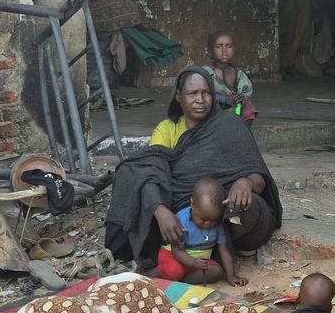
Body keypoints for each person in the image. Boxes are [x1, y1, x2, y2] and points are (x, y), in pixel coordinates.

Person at [105, 66, 282, 273]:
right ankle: (192, 254)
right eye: (192, 93)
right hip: (180, 216)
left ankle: (213, 249)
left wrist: (246, 182)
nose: (200, 100)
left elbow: (259, 177)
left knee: (249, 207)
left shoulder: (230, 125)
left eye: (206, 93)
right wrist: (160, 211)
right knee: (130, 173)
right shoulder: (167, 129)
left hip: (220, 213)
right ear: (179, 97)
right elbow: (149, 169)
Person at [157, 178, 248, 286]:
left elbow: (224, 251)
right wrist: (193, 263)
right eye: (202, 219)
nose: (208, 223)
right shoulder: (182, 220)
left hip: (198, 263)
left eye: (213, 220)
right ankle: (152, 273)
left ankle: (181, 279)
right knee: (174, 270)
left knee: (217, 272)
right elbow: (177, 251)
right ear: (192, 204)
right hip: (174, 257)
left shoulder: (218, 225)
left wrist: (231, 276)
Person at [202, 30, 258, 126]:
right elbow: (202, 94)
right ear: (210, 51)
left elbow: (247, 91)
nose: (224, 50)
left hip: (235, 109)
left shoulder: (239, 74)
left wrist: (242, 98)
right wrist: (224, 99)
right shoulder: (206, 72)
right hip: (215, 109)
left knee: (249, 108)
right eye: (219, 46)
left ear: (234, 50)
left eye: (229, 46)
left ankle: (242, 131)